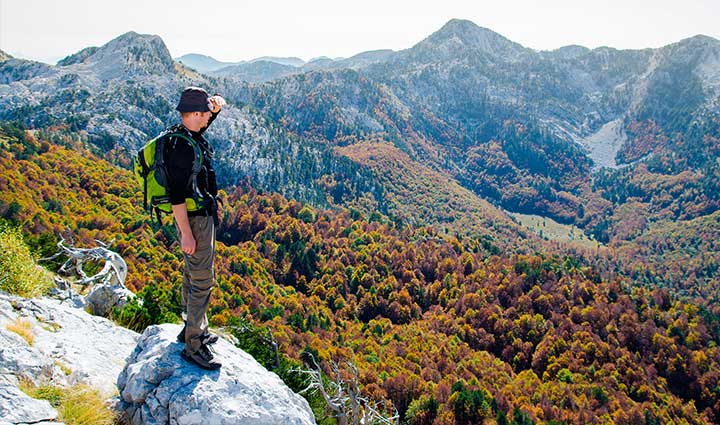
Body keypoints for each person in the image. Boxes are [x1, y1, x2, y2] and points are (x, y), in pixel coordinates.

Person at [166, 86, 226, 370]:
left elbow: (202, 126)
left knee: (191, 276)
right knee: (202, 282)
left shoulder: (185, 135)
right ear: (196, 114)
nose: (207, 120)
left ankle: (190, 328)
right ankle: (194, 345)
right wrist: (187, 234)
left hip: (198, 218)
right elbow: (176, 194)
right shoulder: (181, 149)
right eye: (205, 115)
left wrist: (216, 109)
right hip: (194, 222)